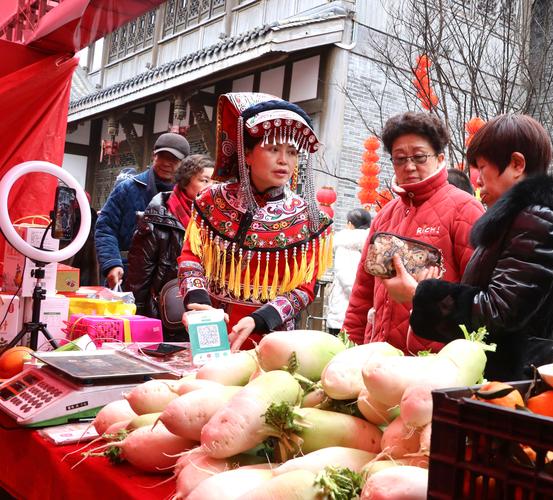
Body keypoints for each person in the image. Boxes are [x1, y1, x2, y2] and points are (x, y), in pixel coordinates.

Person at [409, 113, 553, 380]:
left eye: (483, 167)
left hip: (515, 385)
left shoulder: (536, 221)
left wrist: (423, 295)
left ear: (516, 164)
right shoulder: (519, 221)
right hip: (503, 379)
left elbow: (497, 312)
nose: (476, 180)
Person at [178, 93, 333, 351]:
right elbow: (191, 257)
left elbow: (305, 288)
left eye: (292, 152)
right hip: (212, 327)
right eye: (273, 149)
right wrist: (197, 299)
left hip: (271, 337)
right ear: (247, 154)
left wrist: (260, 319)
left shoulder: (310, 218)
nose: (284, 160)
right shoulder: (210, 201)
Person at [342, 112, 484, 354]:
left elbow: (478, 296)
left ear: (440, 158)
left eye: (419, 157)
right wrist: (347, 348)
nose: (409, 166)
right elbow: (362, 292)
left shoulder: (465, 209)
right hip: (375, 356)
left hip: (433, 361)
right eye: (399, 158)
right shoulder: (385, 215)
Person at [95, 133, 191, 288]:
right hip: (127, 273)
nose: (166, 163)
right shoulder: (127, 188)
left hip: (172, 280)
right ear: (154, 156)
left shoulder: (189, 195)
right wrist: (112, 263)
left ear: (184, 163)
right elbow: (105, 228)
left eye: (173, 159)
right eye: (161, 156)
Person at [126, 154, 214, 319]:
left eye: (215, 182)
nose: (211, 187)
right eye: (204, 180)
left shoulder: (219, 219)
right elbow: (139, 275)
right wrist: (138, 316)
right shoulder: (158, 217)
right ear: (186, 181)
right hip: (165, 311)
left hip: (209, 308)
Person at [326, 208, 372, 335]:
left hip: (344, 313)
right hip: (363, 312)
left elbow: (347, 280)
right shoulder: (369, 243)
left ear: (350, 224)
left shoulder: (346, 244)